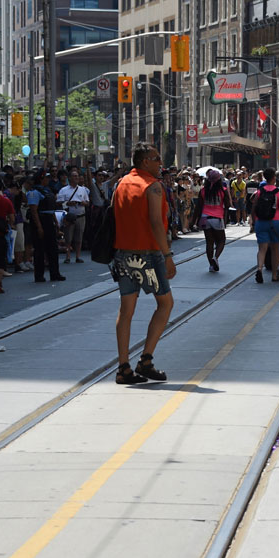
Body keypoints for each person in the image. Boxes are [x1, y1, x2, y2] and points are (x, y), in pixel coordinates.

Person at [111, 145, 175, 385]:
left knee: (126, 310)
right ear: (145, 161)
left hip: (123, 253)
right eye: (157, 158)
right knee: (165, 303)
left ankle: (123, 367)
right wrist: (167, 255)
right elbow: (157, 224)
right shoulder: (153, 186)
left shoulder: (122, 183)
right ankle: (146, 360)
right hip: (148, 254)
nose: (161, 162)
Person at [251, 168, 279, 283]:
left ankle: (259, 269)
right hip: (275, 222)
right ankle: (274, 275)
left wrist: (253, 223)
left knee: (262, 249)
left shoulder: (259, 191)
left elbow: (253, 209)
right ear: (274, 178)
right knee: (275, 249)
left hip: (261, 222)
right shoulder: (278, 192)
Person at [26, 170, 64, 283]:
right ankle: (39, 275)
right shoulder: (34, 192)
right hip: (40, 220)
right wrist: (39, 227)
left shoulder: (48, 191)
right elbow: (34, 211)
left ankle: (55, 273)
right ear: (41, 179)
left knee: (53, 248)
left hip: (49, 220)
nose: (48, 180)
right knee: (39, 250)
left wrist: (56, 224)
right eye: (46, 178)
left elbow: (51, 209)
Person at [199, 169, 230, 272]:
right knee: (221, 240)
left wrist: (195, 221)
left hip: (204, 218)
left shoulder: (203, 190)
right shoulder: (223, 190)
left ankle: (211, 265)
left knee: (209, 242)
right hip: (217, 217)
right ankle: (215, 257)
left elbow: (198, 207)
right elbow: (227, 205)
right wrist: (225, 219)